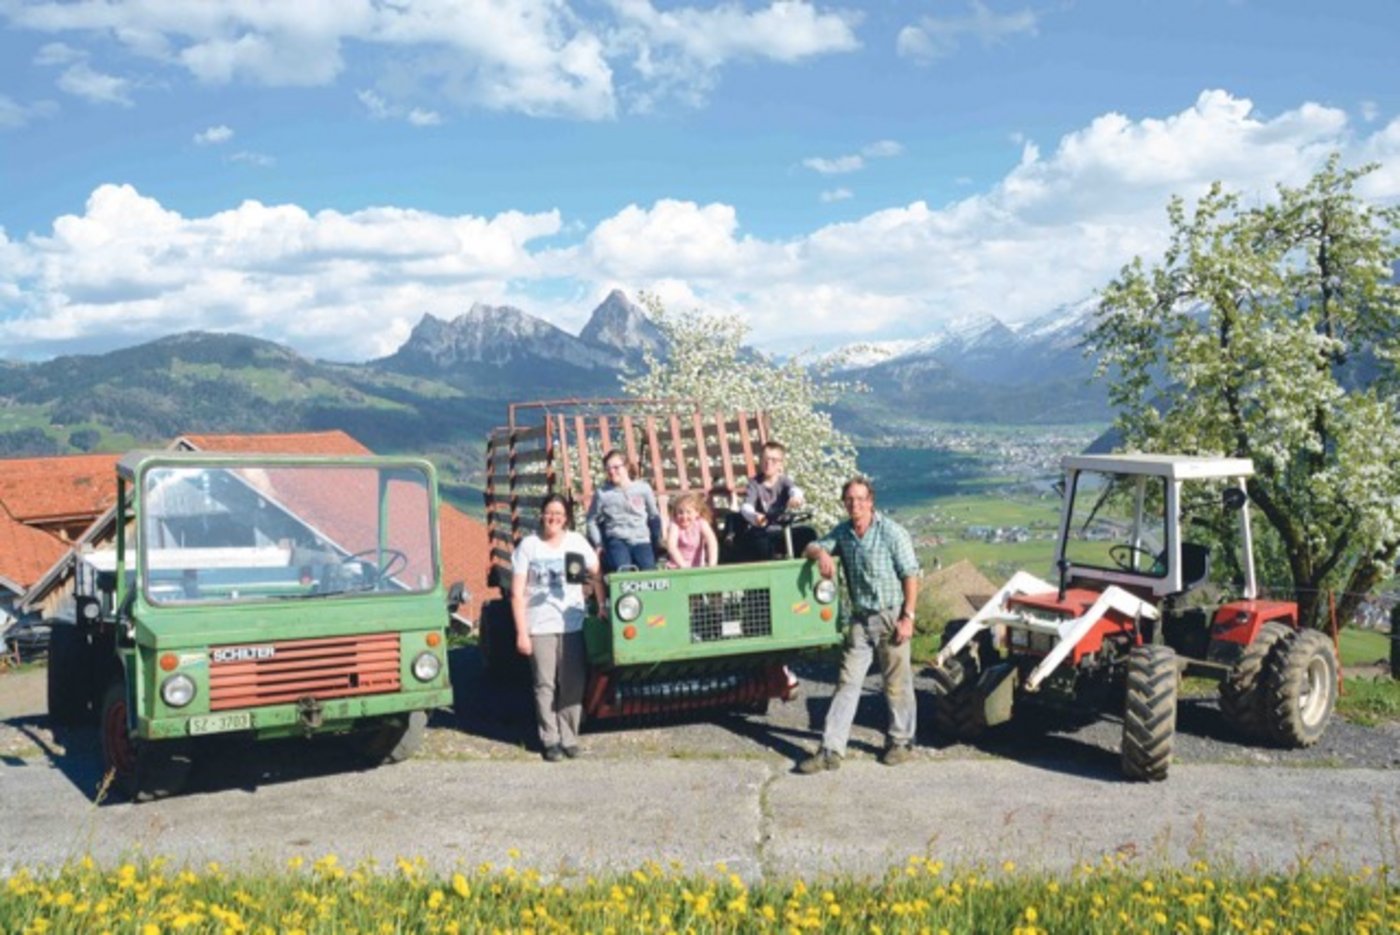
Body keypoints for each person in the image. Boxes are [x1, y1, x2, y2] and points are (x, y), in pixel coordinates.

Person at [797, 476, 921, 771]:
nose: (855, 504)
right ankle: (831, 750)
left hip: (891, 616)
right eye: (850, 499)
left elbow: (910, 574)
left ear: (871, 501)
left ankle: (901, 742)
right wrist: (822, 553)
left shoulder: (892, 532)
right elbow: (810, 547)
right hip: (860, 620)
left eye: (860, 499)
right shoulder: (843, 533)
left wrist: (908, 617)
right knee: (847, 683)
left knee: (896, 684)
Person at [511, 494, 604, 762]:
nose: (554, 518)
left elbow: (595, 571)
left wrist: (600, 602)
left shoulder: (575, 542)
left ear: (566, 518)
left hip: (571, 623)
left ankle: (570, 737)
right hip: (538, 625)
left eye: (559, 514)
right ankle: (549, 738)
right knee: (544, 683)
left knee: (573, 683)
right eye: (550, 513)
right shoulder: (529, 546)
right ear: (542, 514)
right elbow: (517, 593)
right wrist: (521, 632)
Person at [586, 450, 663, 572]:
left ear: (626, 467)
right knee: (622, 570)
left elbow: (654, 515)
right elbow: (591, 520)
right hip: (618, 539)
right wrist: (598, 543)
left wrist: (657, 540)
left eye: (616, 467)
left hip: (641, 539)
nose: (612, 471)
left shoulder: (643, 489)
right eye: (608, 469)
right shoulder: (603, 494)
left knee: (648, 570)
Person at [739, 441, 807, 561]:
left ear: (781, 464)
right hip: (762, 531)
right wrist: (755, 516)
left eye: (773, 460)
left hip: (782, 530)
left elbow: (794, 490)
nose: (768, 463)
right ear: (760, 461)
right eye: (765, 459)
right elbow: (746, 507)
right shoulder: (755, 484)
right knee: (760, 543)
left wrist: (796, 498)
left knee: (808, 533)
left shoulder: (784, 481)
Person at [665, 492, 719, 569]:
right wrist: (683, 566)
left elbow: (712, 542)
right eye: (680, 512)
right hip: (677, 567)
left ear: (697, 513)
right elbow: (672, 547)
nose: (684, 516)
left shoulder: (701, 523)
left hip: (698, 567)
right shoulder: (675, 525)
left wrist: (712, 564)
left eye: (688, 512)